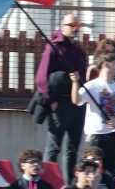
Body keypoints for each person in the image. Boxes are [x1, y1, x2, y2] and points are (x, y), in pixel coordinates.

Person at [36, 14, 88, 177]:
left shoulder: (79, 51)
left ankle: (70, 184)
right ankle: (48, 181)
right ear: (63, 25)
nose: (75, 28)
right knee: (53, 147)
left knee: (73, 148)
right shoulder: (53, 47)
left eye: (77, 24)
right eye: (71, 24)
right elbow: (41, 77)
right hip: (60, 104)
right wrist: (50, 101)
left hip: (77, 105)